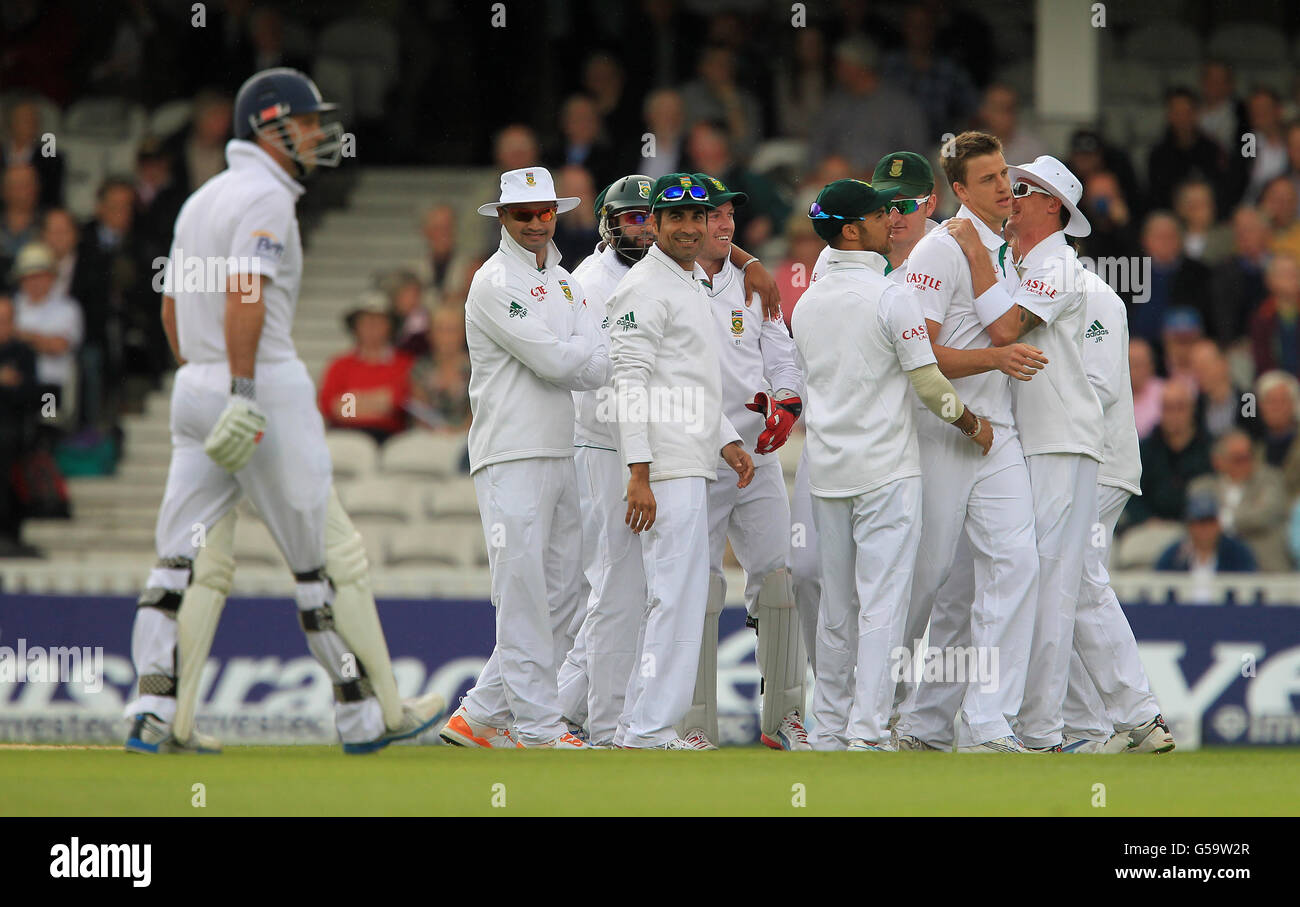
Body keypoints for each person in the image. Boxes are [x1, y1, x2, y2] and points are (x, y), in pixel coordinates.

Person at [122, 68, 443, 756]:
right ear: (268, 127)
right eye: (304, 123)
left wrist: (206, 384)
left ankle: (156, 713)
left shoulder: (201, 199)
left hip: (196, 386)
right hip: (261, 386)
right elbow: (246, 295)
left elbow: (173, 310)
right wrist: (242, 391)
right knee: (325, 561)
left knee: (183, 557)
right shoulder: (267, 197)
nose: (317, 135)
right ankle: (372, 715)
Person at [794, 178, 989, 751]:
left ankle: (828, 728)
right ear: (853, 230)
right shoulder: (890, 295)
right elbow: (928, 381)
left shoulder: (808, 300)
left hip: (829, 471)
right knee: (882, 605)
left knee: (836, 606)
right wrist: (973, 425)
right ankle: (869, 731)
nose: (892, 222)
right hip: (886, 473)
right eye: (881, 215)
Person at [437, 166, 608, 750]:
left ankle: (480, 714)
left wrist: (574, 352)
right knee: (524, 589)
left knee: (565, 593)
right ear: (503, 218)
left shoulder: (565, 282)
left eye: (544, 212)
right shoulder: (491, 281)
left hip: (560, 445)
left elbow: (596, 364)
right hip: (510, 449)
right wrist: (578, 351)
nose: (536, 223)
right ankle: (536, 728)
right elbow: (566, 366)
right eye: (523, 214)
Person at [889, 132, 1047, 754]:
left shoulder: (1002, 249)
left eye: (1005, 174)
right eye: (988, 180)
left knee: (1016, 565)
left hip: (997, 432)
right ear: (959, 190)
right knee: (926, 583)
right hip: (942, 431)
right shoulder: (937, 250)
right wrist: (995, 359)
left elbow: (1005, 329)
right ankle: (864, 705)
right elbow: (918, 355)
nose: (1006, 186)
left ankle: (984, 724)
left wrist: (996, 365)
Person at [951, 154, 1105, 752]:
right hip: (1034, 439)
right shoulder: (1020, 260)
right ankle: (1048, 726)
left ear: (1052, 207)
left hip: (1058, 440)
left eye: (1023, 189)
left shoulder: (1057, 266)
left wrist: (970, 254)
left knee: (1048, 583)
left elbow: (1007, 330)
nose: (1010, 196)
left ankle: (1040, 727)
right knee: (1037, 579)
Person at [604, 172, 754, 749]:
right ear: (657, 224)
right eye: (678, 219)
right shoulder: (646, 288)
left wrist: (724, 440)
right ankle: (647, 728)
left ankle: (637, 723)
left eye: (700, 217)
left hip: (687, 459)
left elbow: (686, 379)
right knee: (674, 597)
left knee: (678, 596)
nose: (692, 228)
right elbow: (629, 383)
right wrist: (638, 473)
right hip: (663, 467)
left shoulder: (686, 281)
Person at [681, 173, 807, 751]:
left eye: (730, 212)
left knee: (780, 577)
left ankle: (785, 718)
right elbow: (680, 379)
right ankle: (693, 723)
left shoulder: (753, 281)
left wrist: (787, 400)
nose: (726, 221)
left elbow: (779, 350)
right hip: (699, 456)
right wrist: (726, 435)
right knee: (700, 587)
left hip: (757, 452)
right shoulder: (667, 283)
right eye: (714, 214)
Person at [1060, 268, 1175, 755]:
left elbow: (1099, 386)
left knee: (1076, 574)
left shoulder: (1096, 295)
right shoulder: (1027, 286)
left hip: (1099, 462)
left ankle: (1138, 713)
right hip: (1065, 461)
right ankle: (1086, 727)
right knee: (1051, 582)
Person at [318, 292, 413, 444]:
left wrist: (351, 400)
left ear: (391, 326)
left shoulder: (405, 365)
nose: (371, 326)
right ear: (355, 326)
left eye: (378, 321)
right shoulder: (339, 364)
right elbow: (330, 406)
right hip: (344, 436)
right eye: (365, 321)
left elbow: (398, 403)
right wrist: (377, 401)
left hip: (390, 440)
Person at [1188, 431, 1291, 571]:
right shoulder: (1203, 486)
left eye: (1248, 457)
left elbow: (1265, 514)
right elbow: (1197, 521)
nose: (1245, 463)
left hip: (1264, 567)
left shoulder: (1270, 480)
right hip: (1217, 567)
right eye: (1237, 459)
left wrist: (1223, 520)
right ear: (1218, 461)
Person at [10, 242, 81, 421]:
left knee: (46, 427)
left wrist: (21, 336)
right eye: (29, 277)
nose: (35, 282)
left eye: (40, 276)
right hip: (15, 385)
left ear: (51, 277)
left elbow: (59, 346)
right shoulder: (11, 306)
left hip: (50, 388)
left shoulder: (67, 308)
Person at [0, 295, 39, 556]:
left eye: (6, 321)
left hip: (13, 426)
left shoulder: (23, 352)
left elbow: (33, 394)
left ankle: (8, 533)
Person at [1155, 491, 1258, 574]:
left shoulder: (1238, 553)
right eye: (1200, 523)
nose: (1205, 529)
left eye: (1210, 522)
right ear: (1190, 526)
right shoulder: (1175, 555)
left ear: (1218, 524)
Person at [407, 305, 472, 434]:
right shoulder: (420, 369)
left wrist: (457, 432)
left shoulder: (476, 369)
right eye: (440, 329)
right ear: (430, 334)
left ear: (463, 333)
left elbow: (479, 413)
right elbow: (420, 414)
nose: (446, 337)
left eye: (452, 330)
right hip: (430, 436)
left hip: (468, 437)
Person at [1249, 253, 1300, 380]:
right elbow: (1262, 361)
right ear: (1270, 281)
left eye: (1295, 272)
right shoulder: (1261, 317)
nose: (1292, 277)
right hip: (1276, 383)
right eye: (1284, 273)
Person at [1253, 370, 1300, 497]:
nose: (1276, 407)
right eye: (1269, 401)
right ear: (1261, 407)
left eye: (1282, 401)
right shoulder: (1256, 448)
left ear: (1294, 404)